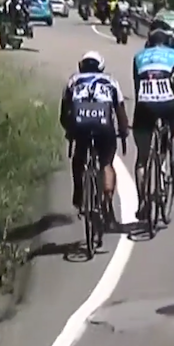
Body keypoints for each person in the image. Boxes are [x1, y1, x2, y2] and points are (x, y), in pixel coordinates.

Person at [132, 28, 174, 216]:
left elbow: (137, 87)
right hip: (168, 103)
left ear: (149, 43)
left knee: (142, 159)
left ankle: (143, 202)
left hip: (144, 104)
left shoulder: (139, 57)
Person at [60, 51, 129, 222]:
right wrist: (123, 131)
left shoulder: (73, 81)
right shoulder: (111, 82)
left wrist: (69, 130)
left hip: (80, 126)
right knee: (106, 163)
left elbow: (64, 111)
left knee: (79, 157)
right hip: (104, 127)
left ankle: (78, 192)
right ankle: (107, 200)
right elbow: (120, 110)